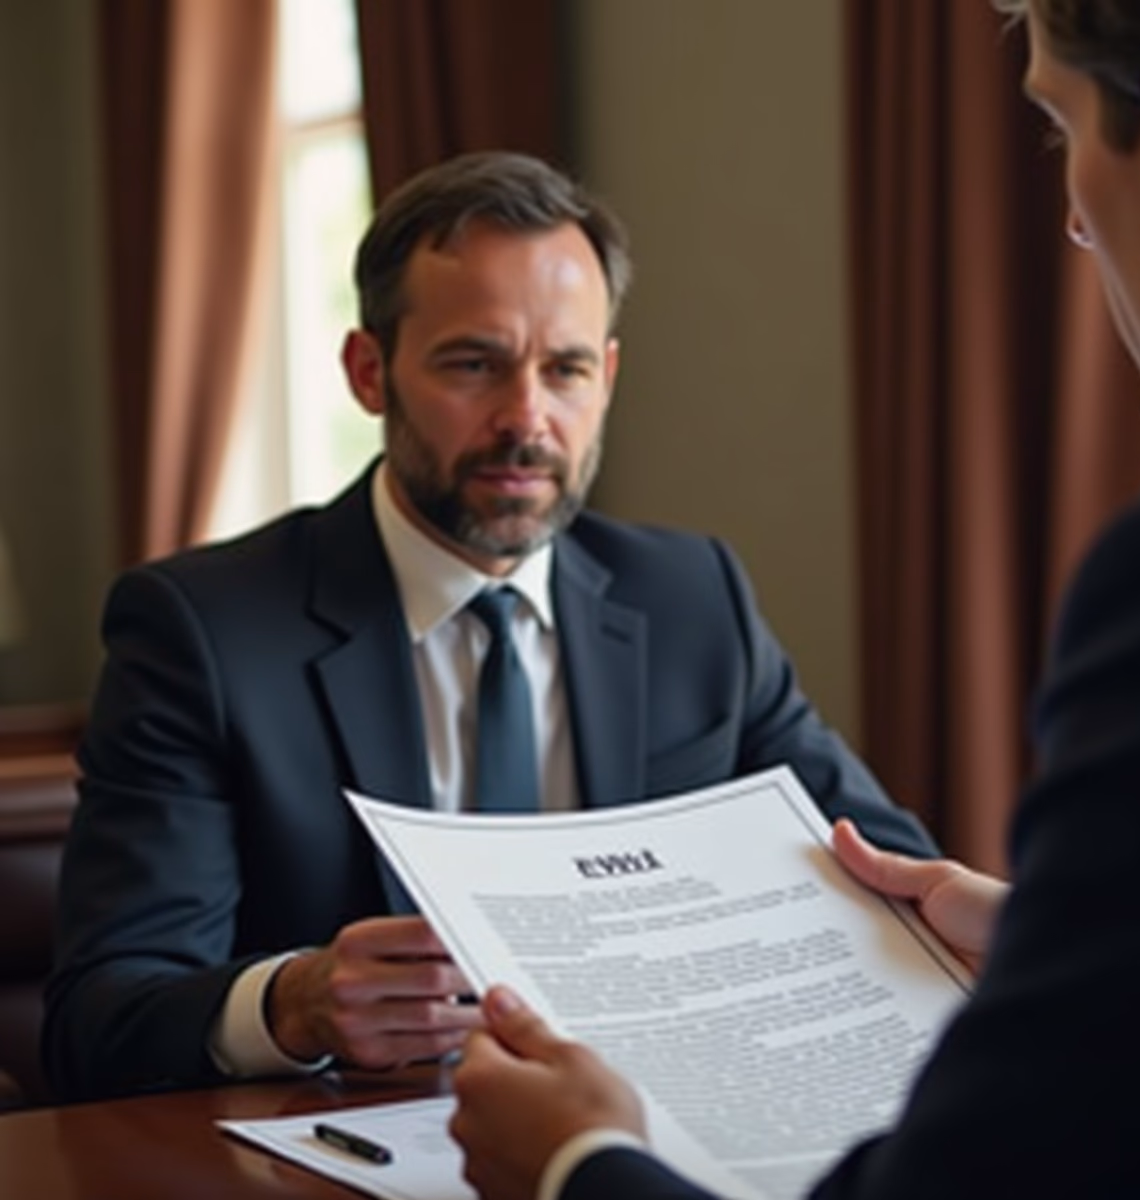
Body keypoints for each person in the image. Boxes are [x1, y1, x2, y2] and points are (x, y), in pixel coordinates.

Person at [448, 3, 1140, 1197]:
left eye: (1058, 130)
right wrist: (1047, 935)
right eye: (473, 362)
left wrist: (579, 1167)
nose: (1067, 217)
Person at [42, 151, 937, 1102]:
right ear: (368, 370)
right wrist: (289, 1003)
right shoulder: (205, 634)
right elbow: (100, 1018)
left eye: (567, 369)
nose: (527, 418)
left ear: (609, 377)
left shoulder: (691, 600)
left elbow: (893, 880)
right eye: (475, 364)